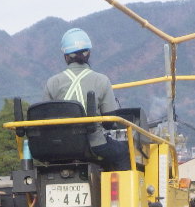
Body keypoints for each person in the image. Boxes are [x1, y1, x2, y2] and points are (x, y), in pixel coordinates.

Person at [43, 27, 132, 171]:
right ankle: (122, 193)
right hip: (94, 145)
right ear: (88, 53)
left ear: (66, 56)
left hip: (59, 147)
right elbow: (110, 123)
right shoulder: (102, 80)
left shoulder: (52, 82)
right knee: (124, 153)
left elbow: (45, 119)